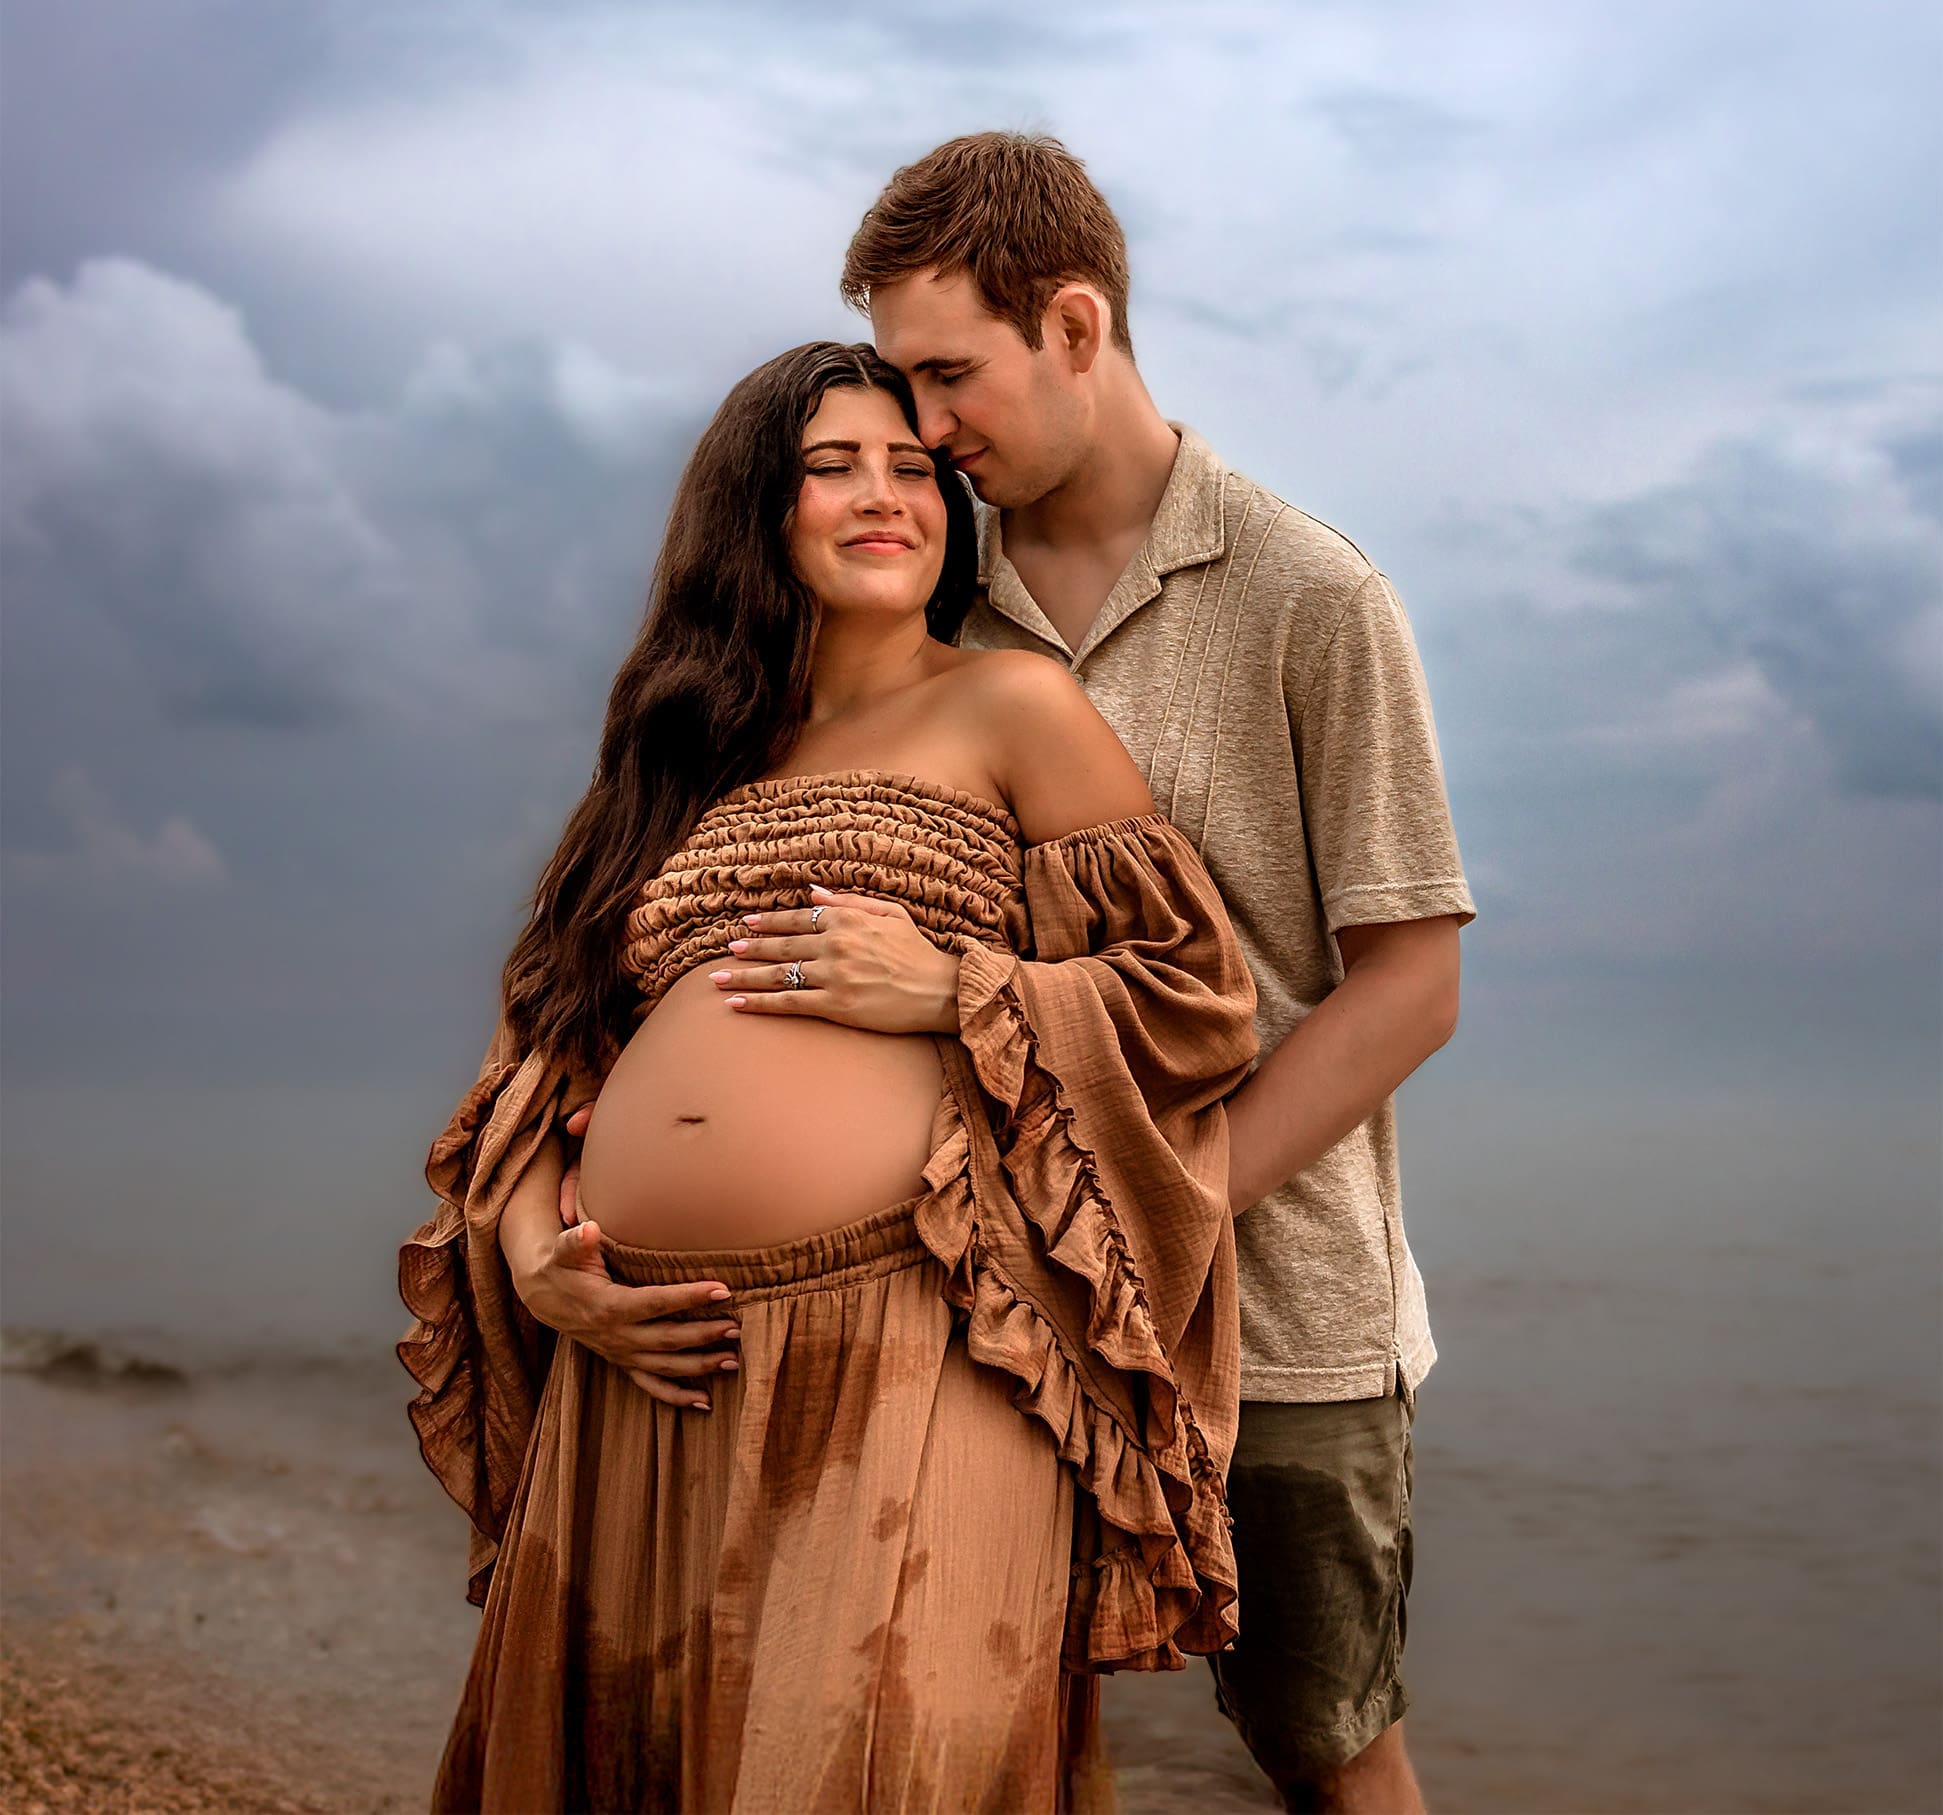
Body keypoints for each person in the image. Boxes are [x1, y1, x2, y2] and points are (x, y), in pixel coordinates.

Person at [397, 339, 1261, 1812]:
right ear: (759, 513)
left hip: (919, 1334)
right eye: (834, 467)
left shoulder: (1013, 709)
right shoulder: (685, 760)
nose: (887, 499)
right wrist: (541, 1261)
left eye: (915, 469)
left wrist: (951, 988)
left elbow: (1197, 1000)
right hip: (644, 1360)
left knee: (880, 1764)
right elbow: (548, 1048)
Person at [839, 133, 1477, 1815]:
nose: (920, 428)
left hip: (1287, 1318)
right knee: (1007, 1737)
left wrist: (1168, 1210)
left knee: (1325, 1751)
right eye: (901, 383)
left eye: (948, 373)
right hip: (1001, 1294)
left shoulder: (1312, 593)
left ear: (1074, 321)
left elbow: (1411, 983)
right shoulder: (940, 601)